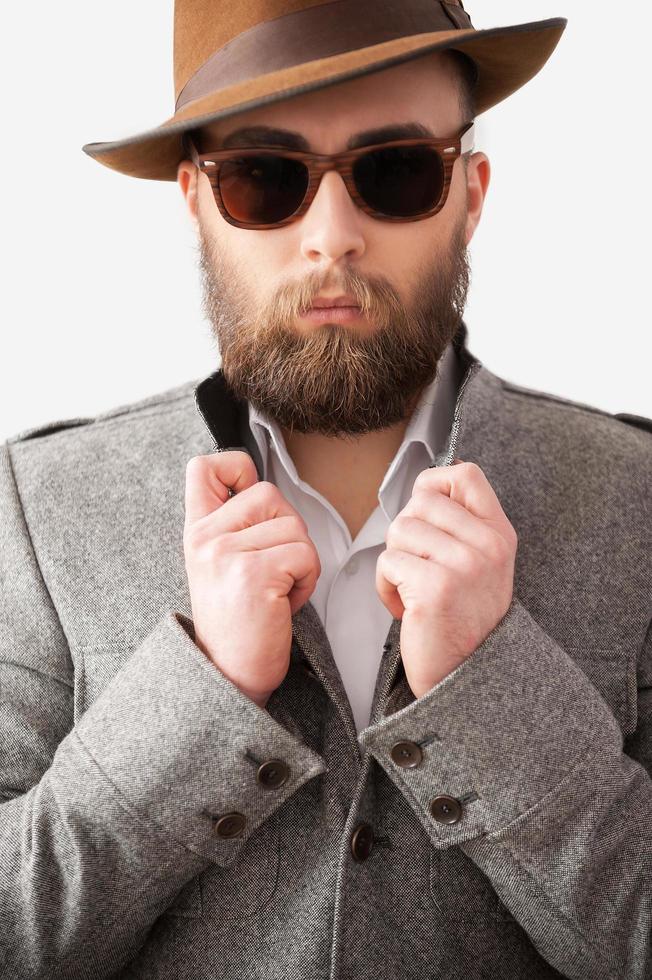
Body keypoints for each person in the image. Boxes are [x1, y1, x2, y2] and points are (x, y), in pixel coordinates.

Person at [1, 2, 650, 978]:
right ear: (193, 201)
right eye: (266, 181)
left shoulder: (637, 497)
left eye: (396, 171)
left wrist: (490, 696)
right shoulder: (37, 506)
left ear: (470, 192)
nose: (332, 237)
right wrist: (200, 694)